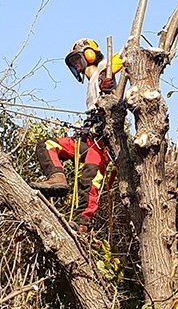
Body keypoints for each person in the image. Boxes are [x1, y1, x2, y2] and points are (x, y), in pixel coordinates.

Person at [30, 38, 123, 232]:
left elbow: (122, 58)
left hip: (101, 140)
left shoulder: (103, 68)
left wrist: (110, 83)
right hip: (87, 137)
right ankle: (57, 178)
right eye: (73, 63)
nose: (76, 65)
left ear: (90, 55)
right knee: (46, 146)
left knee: (90, 179)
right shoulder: (90, 84)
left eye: (77, 59)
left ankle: (82, 222)